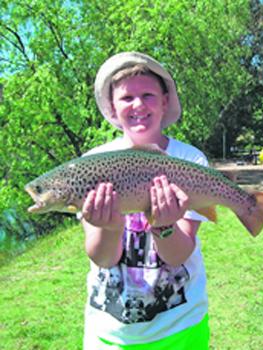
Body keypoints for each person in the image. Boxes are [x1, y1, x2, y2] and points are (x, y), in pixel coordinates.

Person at [81, 52, 210, 349]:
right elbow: (102, 258)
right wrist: (111, 227)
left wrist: (164, 227)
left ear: (165, 102)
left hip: (181, 329)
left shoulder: (190, 160)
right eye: (127, 98)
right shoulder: (92, 164)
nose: (138, 105)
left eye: (148, 95)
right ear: (112, 107)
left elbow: (178, 255)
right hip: (109, 334)